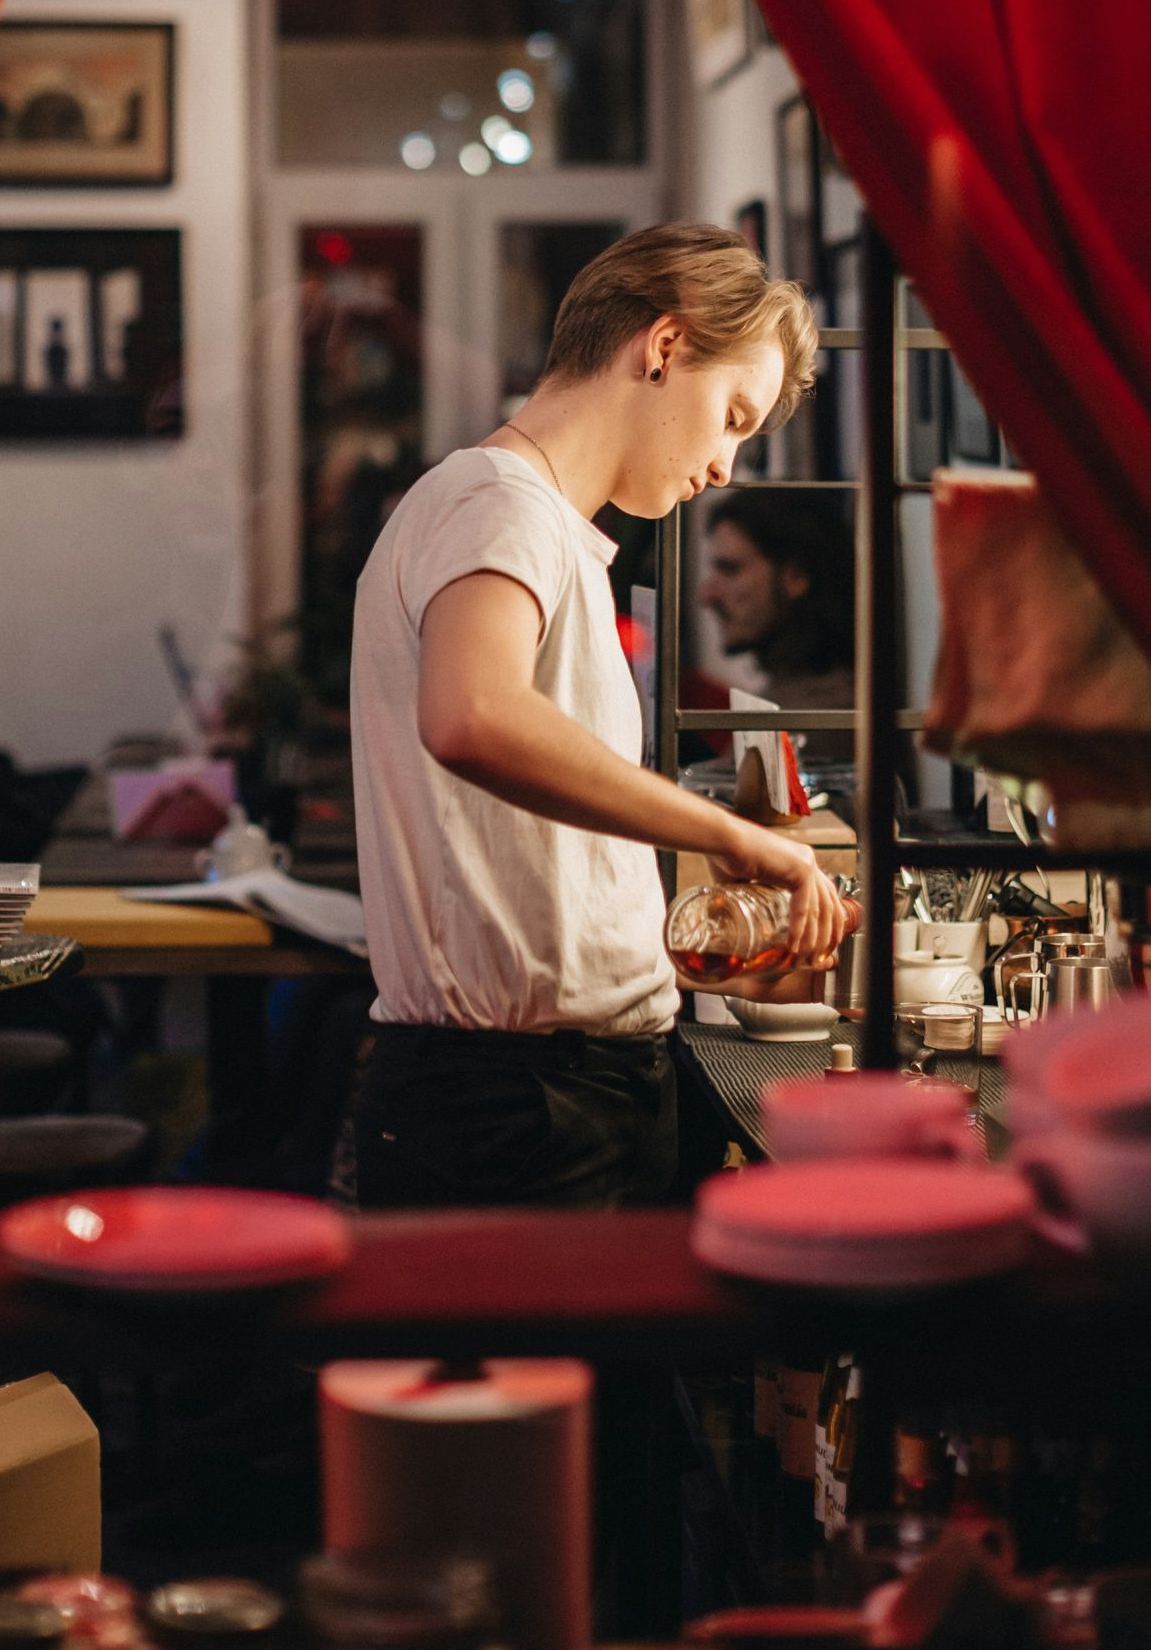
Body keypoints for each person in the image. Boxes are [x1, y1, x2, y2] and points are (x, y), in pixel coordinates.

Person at [347, 222, 853, 1211]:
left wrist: (685, 956)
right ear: (664, 348)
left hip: (553, 1089)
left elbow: (527, 863)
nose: (726, 468)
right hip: (516, 1108)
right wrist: (737, 840)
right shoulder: (498, 503)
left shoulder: (535, 526)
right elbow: (472, 716)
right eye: (735, 417)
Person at [699, 488, 854, 711]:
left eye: (730, 570)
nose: (707, 596)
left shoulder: (820, 713)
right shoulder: (797, 698)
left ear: (796, 577)